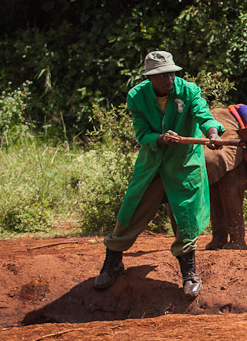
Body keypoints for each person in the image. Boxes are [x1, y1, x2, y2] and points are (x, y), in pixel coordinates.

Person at [94, 50, 224, 299]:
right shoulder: (137, 97)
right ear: (150, 78)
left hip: (184, 164)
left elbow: (203, 114)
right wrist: (161, 139)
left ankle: (189, 274)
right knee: (130, 211)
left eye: (171, 74)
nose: (169, 79)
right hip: (152, 163)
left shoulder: (188, 91)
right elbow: (142, 134)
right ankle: (113, 264)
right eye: (162, 75)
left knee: (186, 216)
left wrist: (212, 134)